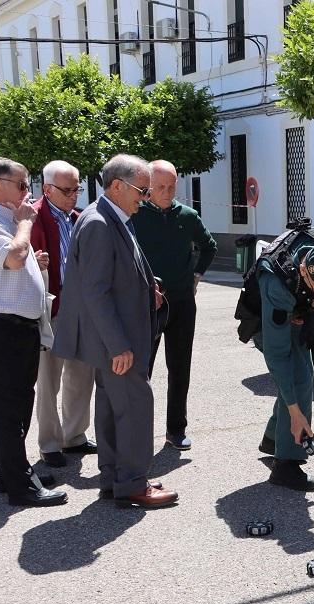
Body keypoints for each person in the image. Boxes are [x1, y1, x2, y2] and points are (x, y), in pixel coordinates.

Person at [53, 154, 178, 509]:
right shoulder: (99, 223)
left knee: (112, 408)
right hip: (118, 341)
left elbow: (115, 273)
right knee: (136, 406)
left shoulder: (112, 216)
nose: (146, 196)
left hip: (118, 338)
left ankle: (116, 478)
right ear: (118, 186)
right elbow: (95, 291)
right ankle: (134, 483)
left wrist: (146, 286)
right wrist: (119, 345)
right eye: (142, 189)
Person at [0, 157, 65, 506]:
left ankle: (11, 473)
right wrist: (25, 226)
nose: (27, 192)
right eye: (21, 185)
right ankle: (20, 486)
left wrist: (36, 259)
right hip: (3, 327)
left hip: (19, 326)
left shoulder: (6, 219)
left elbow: (15, 265)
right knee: (8, 408)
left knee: (18, 404)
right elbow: (14, 257)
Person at [133, 159, 217, 451]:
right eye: (160, 187)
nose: (167, 193)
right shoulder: (136, 214)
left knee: (180, 368)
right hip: (148, 304)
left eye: (171, 187)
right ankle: (138, 432)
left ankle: (176, 430)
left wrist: (196, 274)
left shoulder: (188, 216)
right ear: (148, 186)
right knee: (142, 371)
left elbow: (209, 246)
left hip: (182, 303)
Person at [257, 240, 314, 491]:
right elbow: (277, 358)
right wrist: (296, 414)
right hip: (270, 321)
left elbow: (313, 290)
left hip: (294, 310)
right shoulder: (276, 284)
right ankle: (286, 464)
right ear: (305, 270)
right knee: (297, 377)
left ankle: (274, 439)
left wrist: (311, 306)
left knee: (305, 372)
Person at [32, 160, 95, 469]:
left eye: (77, 188)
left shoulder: (79, 218)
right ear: (47, 189)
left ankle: (75, 436)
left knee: (82, 376)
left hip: (81, 311)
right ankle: (49, 443)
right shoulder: (32, 218)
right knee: (48, 380)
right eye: (67, 190)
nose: (73, 195)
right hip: (52, 309)